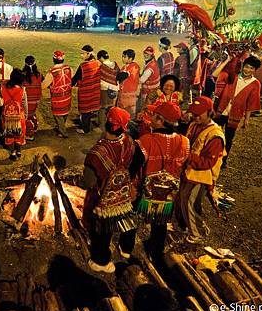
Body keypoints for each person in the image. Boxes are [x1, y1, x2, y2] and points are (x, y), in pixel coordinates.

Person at [81, 107, 144, 273]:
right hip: (123, 195)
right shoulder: (130, 142)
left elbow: (88, 181)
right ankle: (125, 250)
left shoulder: (97, 153)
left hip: (103, 199)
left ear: (105, 124)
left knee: (101, 230)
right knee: (126, 219)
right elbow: (140, 159)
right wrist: (127, 179)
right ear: (123, 127)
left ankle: (101, 261)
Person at [135, 102, 190, 261]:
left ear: (159, 120)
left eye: (154, 115)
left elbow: (136, 166)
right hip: (168, 194)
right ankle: (155, 252)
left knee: (134, 217)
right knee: (161, 222)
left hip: (147, 192)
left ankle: (128, 247)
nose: (150, 118)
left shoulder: (146, 140)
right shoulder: (184, 141)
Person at [176, 96, 225, 244]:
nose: (195, 117)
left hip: (201, 175)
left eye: (199, 114)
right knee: (183, 199)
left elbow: (209, 162)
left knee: (189, 202)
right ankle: (186, 226)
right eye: (194, 113)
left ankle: (198, 232)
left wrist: (188, 157)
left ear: (209, 112)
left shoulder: (215, 135)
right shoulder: (194, 125)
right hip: (189, 171)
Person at [213, 55, 261, 168]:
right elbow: (215, 75)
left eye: (251, 68)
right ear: (243, 66)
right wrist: (227, 60)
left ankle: (223, 160)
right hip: (221, 111)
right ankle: (211, 156)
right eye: (246, 67)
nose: (248, 70)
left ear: (255, 70)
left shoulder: (255, 84)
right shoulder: (232, 76)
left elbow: (251, 102)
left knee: (228, 138)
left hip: (236, 114)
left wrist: (247, 119)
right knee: (214, 134)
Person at [42, 50, 72, 138]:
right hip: (67, 94)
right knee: (65, 112)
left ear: (53, 59)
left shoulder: (52, 72)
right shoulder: (69, 68)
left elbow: (44, 85)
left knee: (58, 115)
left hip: (57, 97)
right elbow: (71, 78)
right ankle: (61, 127)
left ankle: (63, 132)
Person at [72, 45, 101, 134]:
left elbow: (75, 79)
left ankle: (85, 129)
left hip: (86, 92)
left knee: (85, 111)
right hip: (95, 91)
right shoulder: (98, 63)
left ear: (88, 54)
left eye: (83, 53)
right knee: (90, 109)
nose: (81, 55)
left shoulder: (83, 66)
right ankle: (87, 122)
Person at [2, 69, 28, 161]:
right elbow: (25, 104)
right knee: (19, 134)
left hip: (7, 116)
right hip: (19, 116)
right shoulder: (22, 89)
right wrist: (26, 114)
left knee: (9, 135)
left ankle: (12, 153)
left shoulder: (4, 87)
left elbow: (1, 102)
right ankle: (19, 151)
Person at [97, 50, 120, 132]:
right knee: (111, 108)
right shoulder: (116, 65)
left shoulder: (102, 67)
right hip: (115, 90)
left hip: (105, 90)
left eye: (99, 59)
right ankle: (110, 124)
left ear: (101, 58)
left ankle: (102, 126)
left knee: (102, 108)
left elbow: (99, 78)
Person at [22, 55, 43, 142]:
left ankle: (29, 134)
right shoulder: (39, 75)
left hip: (27, 100)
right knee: (32, 113)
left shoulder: (22, 75)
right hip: (36, 99)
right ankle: (34, 125)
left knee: (27, 116)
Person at [116, 49, 141, 119]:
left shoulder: (134, 67)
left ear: (130, 58)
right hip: (124, 94)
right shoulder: (125, 67)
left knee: (128, 115)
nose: (122, 58)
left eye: (124, 57)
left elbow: (121, 76)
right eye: (122, 56)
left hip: (129, 95)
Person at [139, 46, 160, 110]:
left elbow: (141, 80)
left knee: (145, 107)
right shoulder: (153, 62)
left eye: (148, 54)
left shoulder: (150, 67)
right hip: (154, 89)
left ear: (152, 55)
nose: (145, 55)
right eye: (145, 53)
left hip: (148, 91)